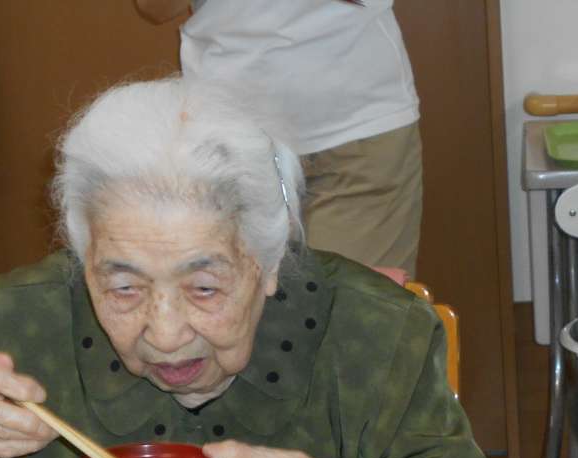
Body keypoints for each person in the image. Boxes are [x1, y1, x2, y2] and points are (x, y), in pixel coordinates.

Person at [0, 77, 508, 458]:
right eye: (124, 288)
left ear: (270, 263)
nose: (165, 335)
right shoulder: (14, 326)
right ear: (84, 264)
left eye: (204, 288)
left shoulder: (375, 331)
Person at [135, 0, 422, 274]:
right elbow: (155, 8)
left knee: (359, 305)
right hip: (232, 144)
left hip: (359, 136)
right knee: (232, 302)